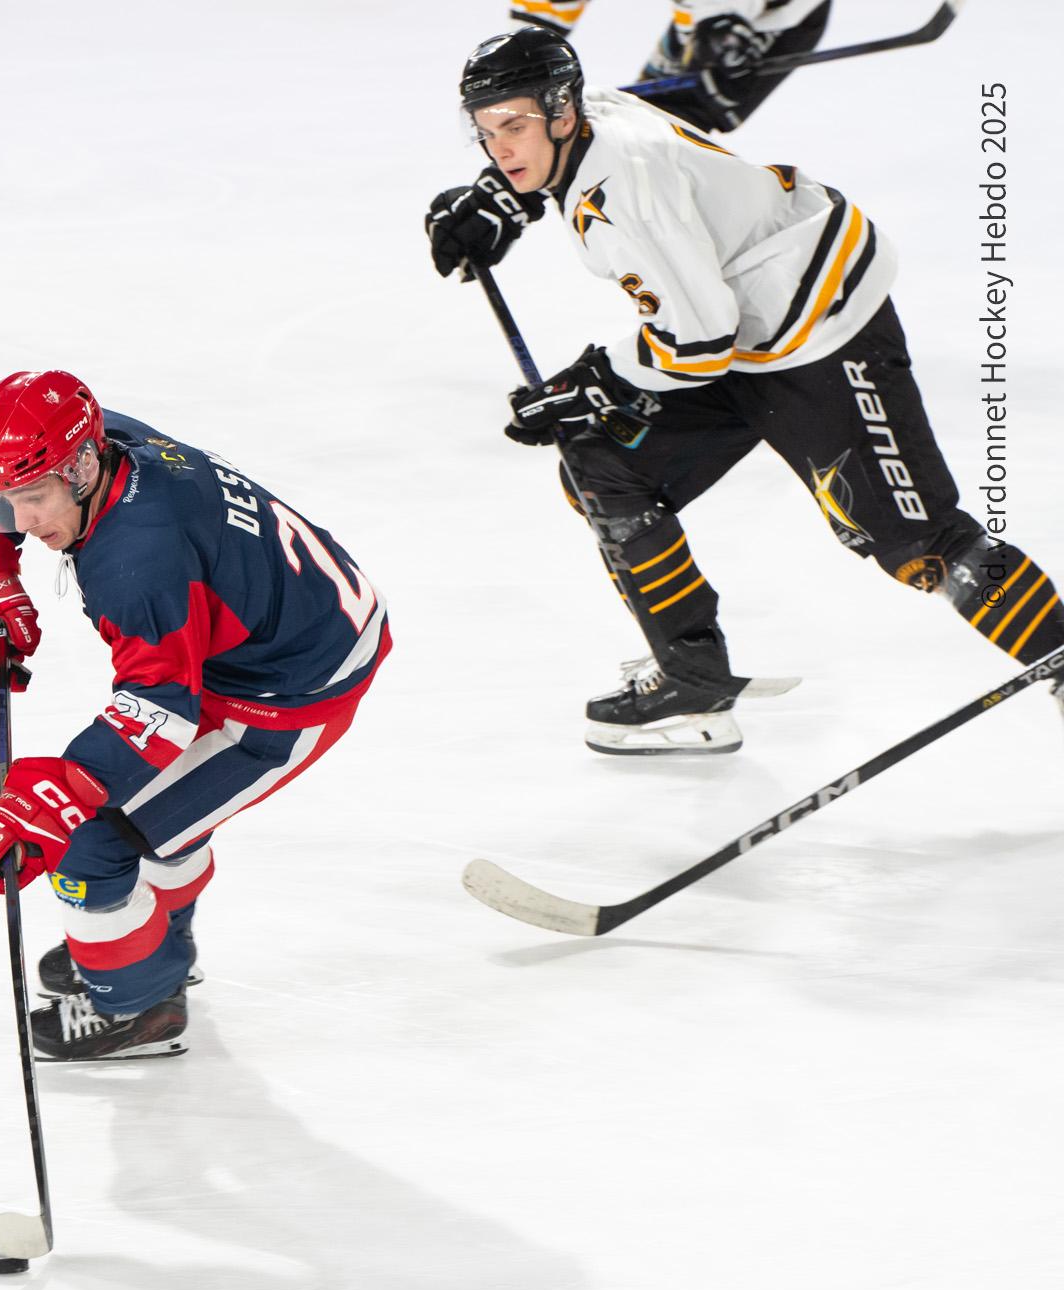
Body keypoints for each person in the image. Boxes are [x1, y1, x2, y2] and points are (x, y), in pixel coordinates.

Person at [424, 29, 1063, 755]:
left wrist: (594, 380)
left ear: (561, 113)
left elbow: (696, 343)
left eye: (515, 126)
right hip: (744, 328)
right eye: (487, 133)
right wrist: (502, 200)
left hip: (823, 329)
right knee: (603, 461)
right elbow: (704, 331)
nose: (501, 148)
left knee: (921, 544)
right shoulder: (594, 111)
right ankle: (691, 681)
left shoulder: (624, 193)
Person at [0, 371, 389, 1060]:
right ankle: (156, 943)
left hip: (289, 695)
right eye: (4, 502)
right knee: (161, 816)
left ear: (82, 469)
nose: (20, 521)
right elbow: (5, 486)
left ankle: (138, 1005)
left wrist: (55, 795)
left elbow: (158, 710)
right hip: (269, 635)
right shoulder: (104, 437)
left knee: (90, 841)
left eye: (32, 501)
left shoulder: (137, 561)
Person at [510, 1, 831, 132]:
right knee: (637, 130)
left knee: (660, 131)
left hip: (770, 12)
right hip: (708, 18)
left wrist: (721, 18)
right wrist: (523, 53)